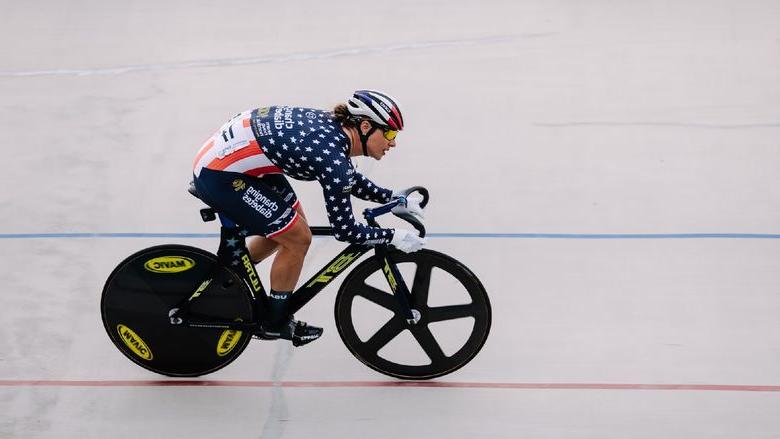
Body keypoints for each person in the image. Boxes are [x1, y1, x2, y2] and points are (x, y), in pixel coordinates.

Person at [191, 90, 426, 346]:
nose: (393, 143)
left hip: (238, 158)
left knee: (290, 226)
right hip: (221, 174)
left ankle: (230, 279)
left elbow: (348, 179)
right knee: (298, 238)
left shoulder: (336, 133)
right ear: (366, 126)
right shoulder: (331, 155)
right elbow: (345, 230)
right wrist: (391, 236)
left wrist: (392, 197)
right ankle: (275, 321)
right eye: (390, 134)